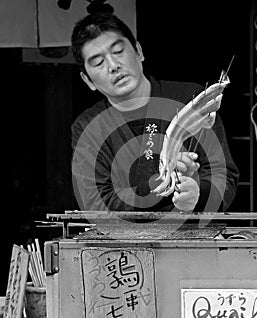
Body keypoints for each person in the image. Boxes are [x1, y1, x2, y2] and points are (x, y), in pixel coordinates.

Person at [70, 10, 239, 213]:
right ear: (88, 80)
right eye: (98, 63)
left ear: (139, 51)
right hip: (127, 243)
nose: (113, 66)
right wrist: (162, 182)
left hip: (196, 237)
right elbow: (97, 203)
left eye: (118, 52)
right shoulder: (88, 127)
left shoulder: (190, 99)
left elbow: (224, 175)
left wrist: (197, 193)